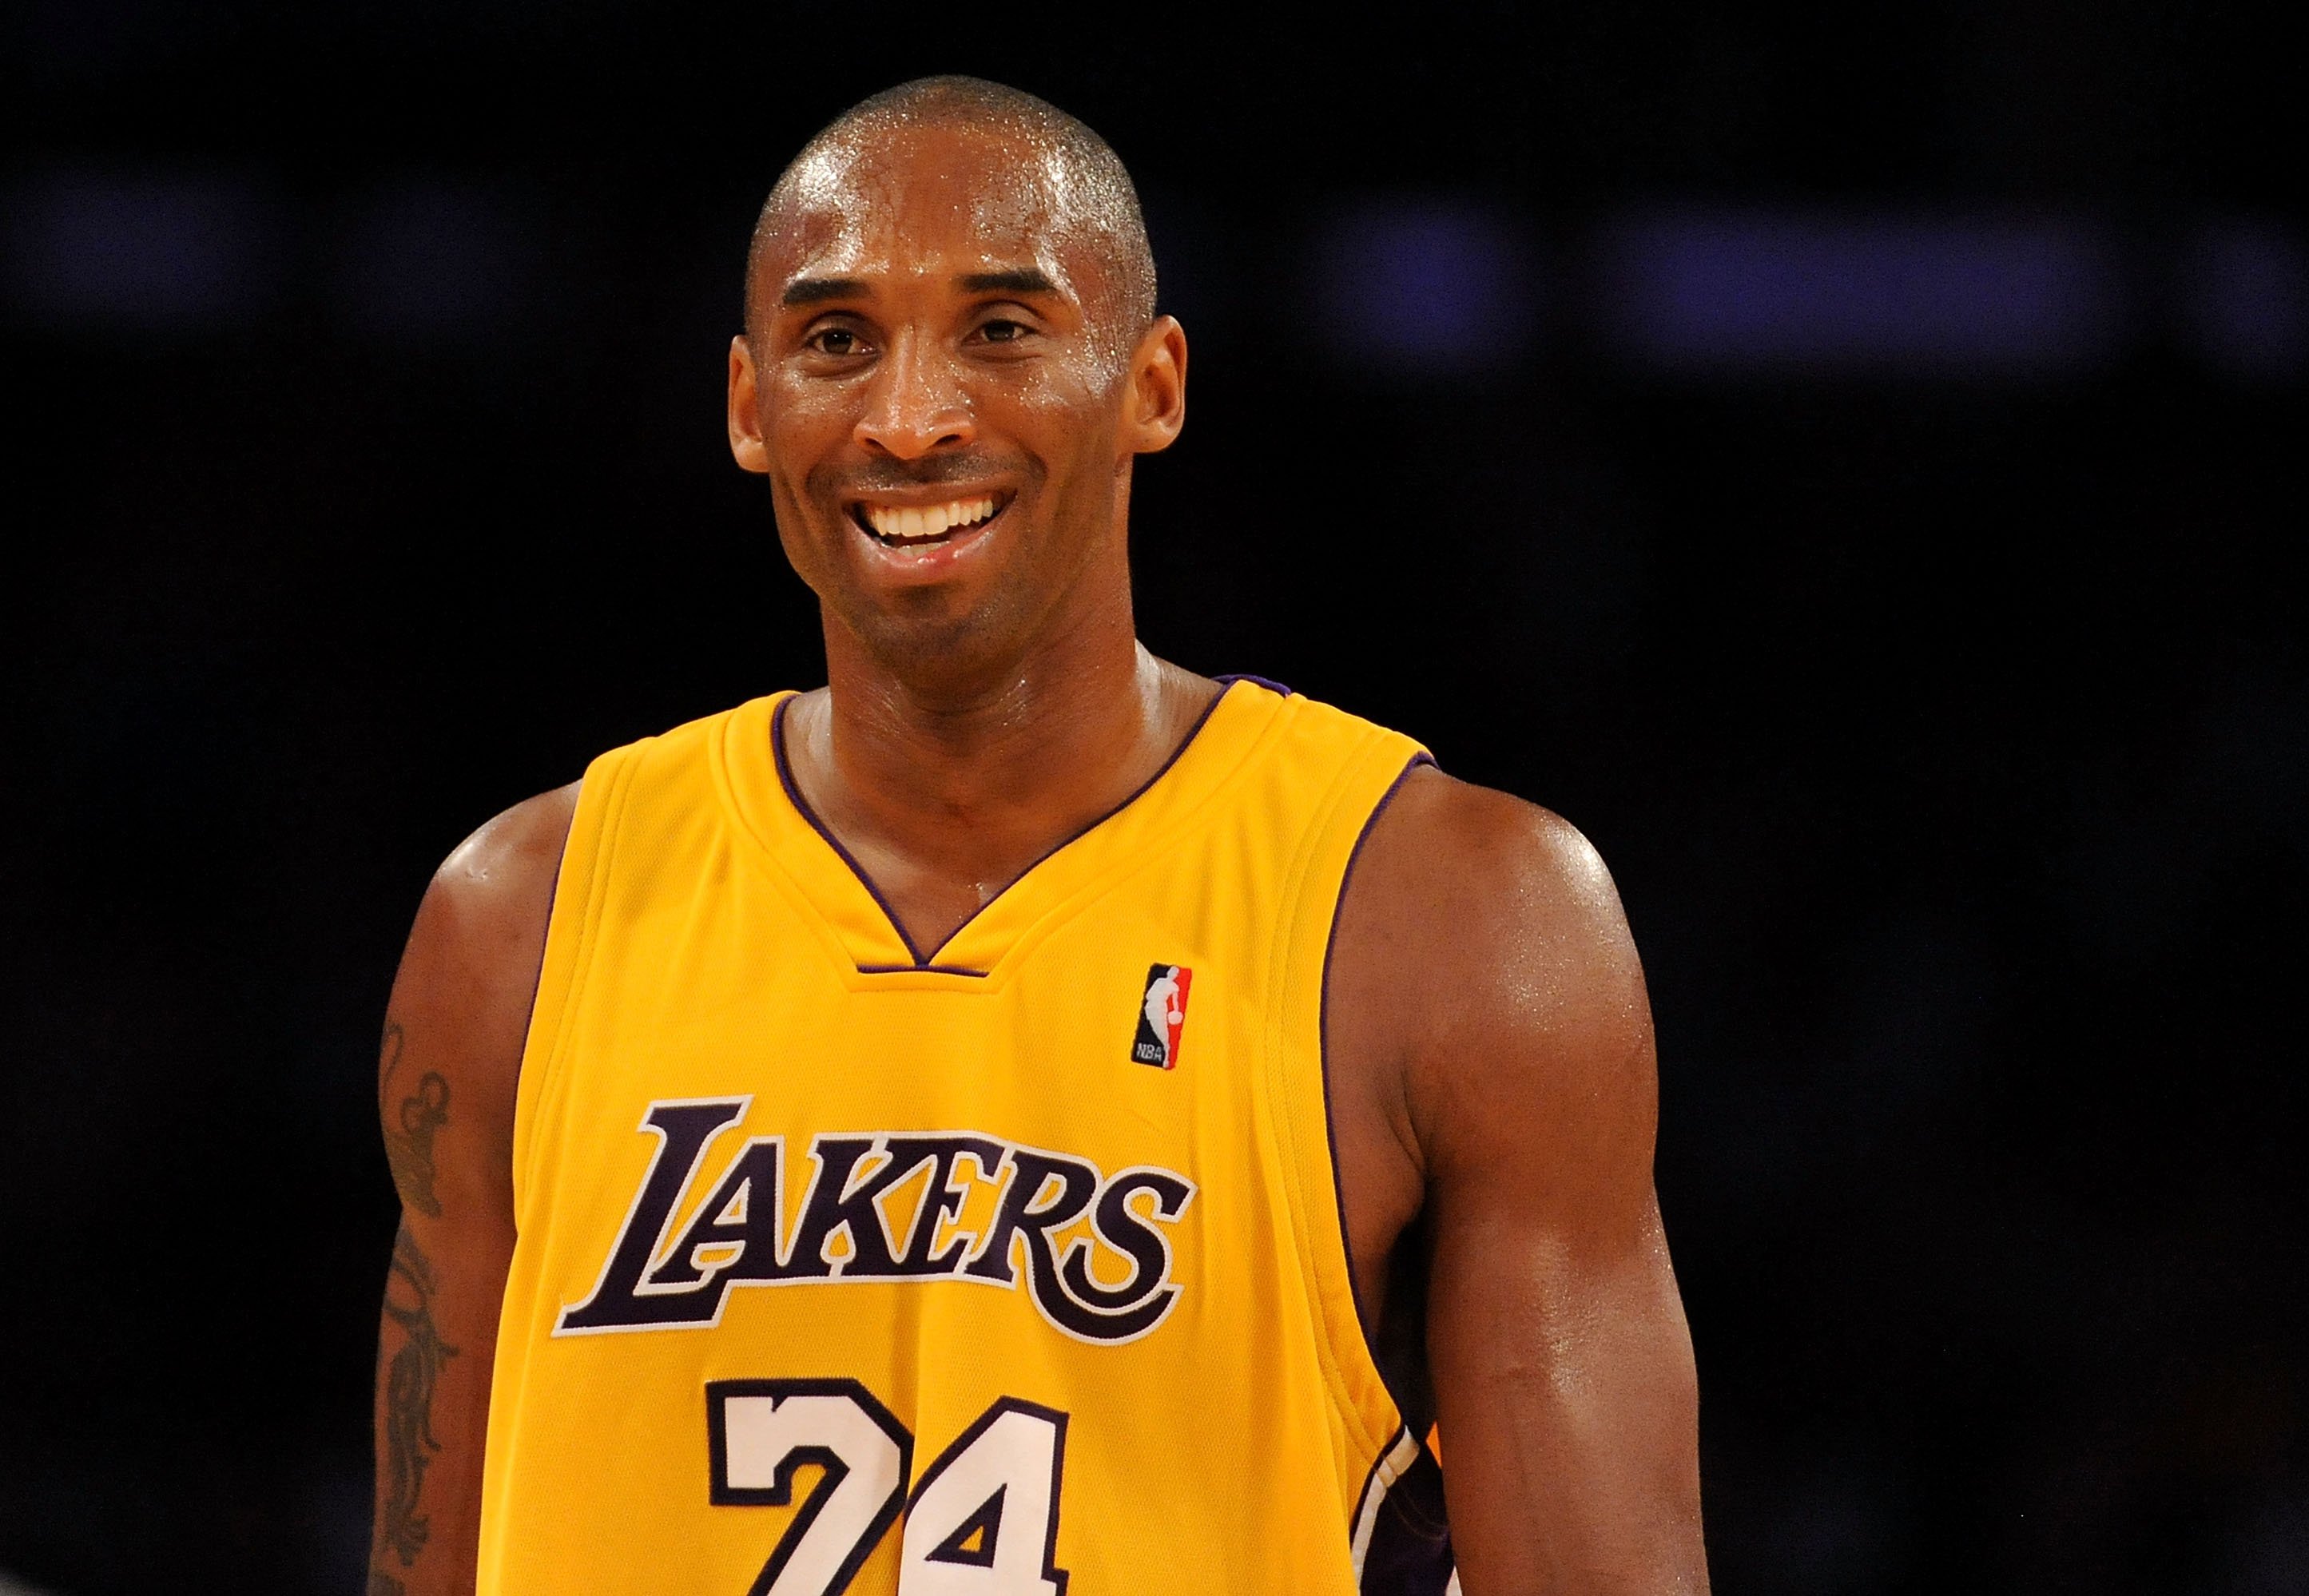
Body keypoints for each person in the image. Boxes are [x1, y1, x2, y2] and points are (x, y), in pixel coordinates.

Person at [367, 75, 1707, 1596]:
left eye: (1002, 331)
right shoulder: (516, 925)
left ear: (1155, 384)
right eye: (835, 342)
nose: (913, 417)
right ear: (750, 408)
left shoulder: (1459, 922)